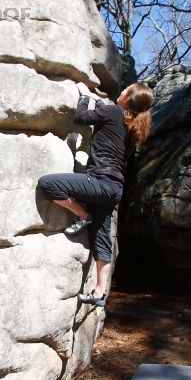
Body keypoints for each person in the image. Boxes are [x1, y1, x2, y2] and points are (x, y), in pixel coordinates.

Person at [38, 82, 154, 306]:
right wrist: (99, 103)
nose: (120, 91)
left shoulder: (112, 111)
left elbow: (81, 118)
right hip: (114, 189)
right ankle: (100, 293)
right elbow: (107, 121)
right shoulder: (132, 125)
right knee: (102, 238)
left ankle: (82, 216)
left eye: (125, 89)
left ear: (127, 98)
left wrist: (83, 96)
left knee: (48, 184)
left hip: (99, 182)